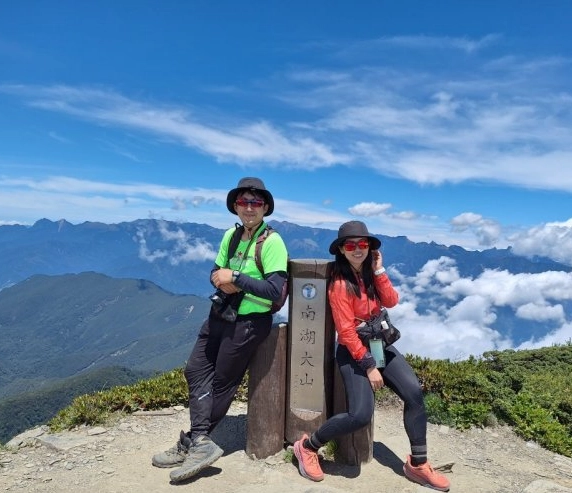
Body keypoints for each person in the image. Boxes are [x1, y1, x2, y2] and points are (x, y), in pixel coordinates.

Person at [292, 220, 451, 491]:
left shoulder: (370, 274)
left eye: (362, 244)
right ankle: (307, 446)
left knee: (414, 394)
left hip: (380, 343)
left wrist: (379, 270)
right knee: (360, 415)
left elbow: (391, 301)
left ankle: (418, 463)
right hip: (353, 352)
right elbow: (346, 331)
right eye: (351, 245)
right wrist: (368, 366)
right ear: (341, 250)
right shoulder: (340, 285)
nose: (357, 249)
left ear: (370, 248)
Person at [152, 177, 289, 483]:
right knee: (195, 369)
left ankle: (193, 442)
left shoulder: (273, 241)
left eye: (255, 203)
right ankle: (200, 441)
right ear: (236, 207)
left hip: (250, 322)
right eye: (243, 202)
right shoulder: (232, 235)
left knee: (223, 383)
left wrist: (236, 277)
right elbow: (215, 271)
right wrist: (222, 278)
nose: (249, 208)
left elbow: (273, 288)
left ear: (265, 207)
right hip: (221, 313)